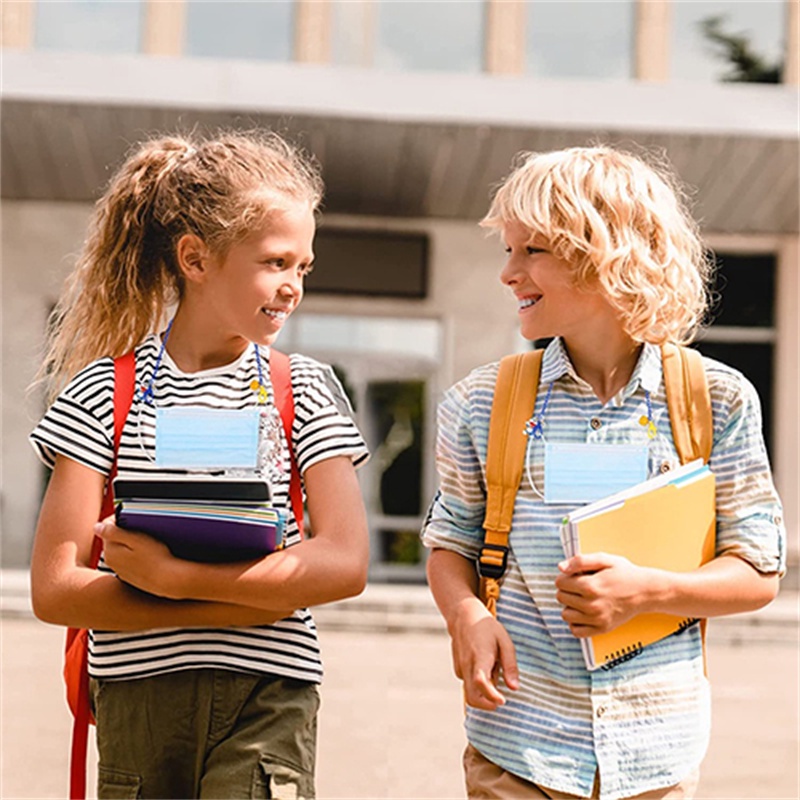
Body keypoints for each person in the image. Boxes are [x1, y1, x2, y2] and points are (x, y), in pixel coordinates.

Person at [422, 146, 785, 800]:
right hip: (516, 747)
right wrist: (467, 616)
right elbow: (451, 542)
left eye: (530, 250)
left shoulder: (718, 399)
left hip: (655, 755)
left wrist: (647, 591)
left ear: (605, 256)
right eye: (507, 250)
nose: (508, 273)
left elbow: (758, 570)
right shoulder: (481, 403)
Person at [29, 130, 370, 799]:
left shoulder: (306, 388)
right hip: (137, 698)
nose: (294, 285)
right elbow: (55, 588)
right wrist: (242, 601)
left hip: (269, 698)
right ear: (196, 258)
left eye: (303, 266)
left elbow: (345, 562)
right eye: (275, 262)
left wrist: (174, 580)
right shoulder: (102, 393)